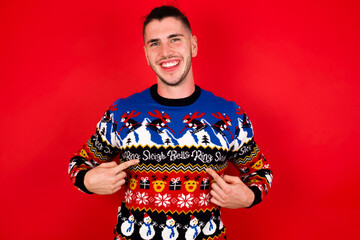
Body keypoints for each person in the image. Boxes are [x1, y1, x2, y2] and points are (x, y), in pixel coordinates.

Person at [68, 5, 273, 240]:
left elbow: (261, 172)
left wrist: (249, 197)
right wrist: (87, 181)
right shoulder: (121, 113)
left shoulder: (229, 115)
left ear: (193, 45)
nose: (165, 52)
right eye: (155, 43)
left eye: (174, 39)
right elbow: (79, 163)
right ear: (146, 53)